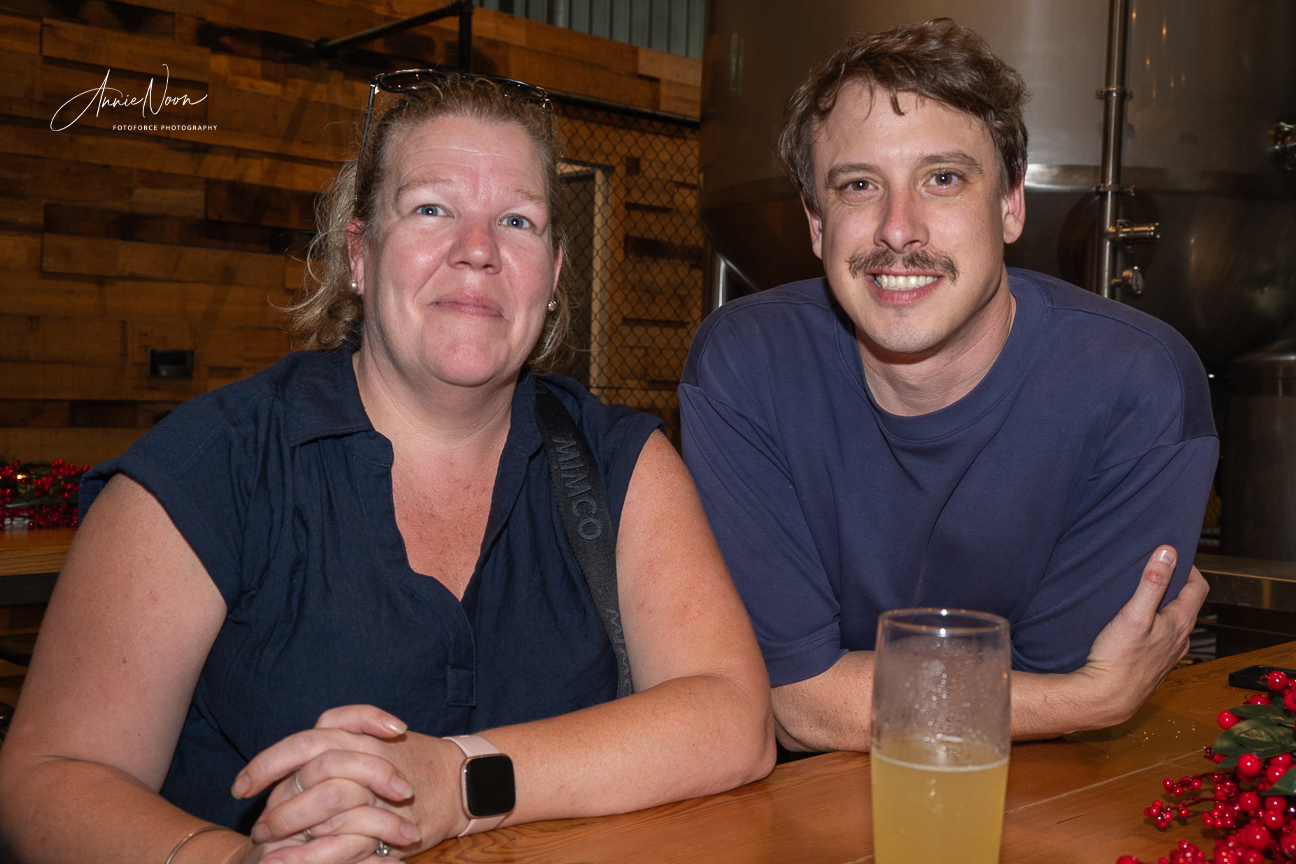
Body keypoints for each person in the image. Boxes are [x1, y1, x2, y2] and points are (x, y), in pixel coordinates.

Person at [0, 72, 775, 864]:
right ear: (359, 254)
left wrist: (459, 781)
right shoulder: (216, 464)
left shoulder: (621, 463)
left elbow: (732, 719)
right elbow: (48, 777)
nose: (478, 250)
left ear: (552, 276)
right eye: (432, 209)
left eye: (517, 221)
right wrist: (232, 861)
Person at [679, 20, 1218, 754]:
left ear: (1011, 205)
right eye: (859, 185)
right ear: (816, 224)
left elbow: (1039, 724)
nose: (899, 230)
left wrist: (1051, 698)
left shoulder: (1135, 383)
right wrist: (1088, 698)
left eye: (943, 179)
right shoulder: (747, 364)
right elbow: (796, 703)